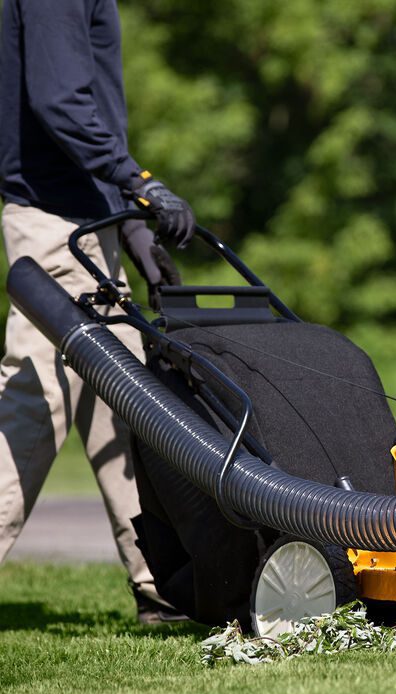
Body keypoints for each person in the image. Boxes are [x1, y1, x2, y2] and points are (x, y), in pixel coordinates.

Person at [0, 0, 195, 622]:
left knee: (128, 409)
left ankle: (163, 582)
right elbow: (59, 98)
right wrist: (137, 180)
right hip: (55, 232)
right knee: (33, 409)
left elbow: (91, 114)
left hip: (86, 230)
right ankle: (163, 580)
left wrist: (135, 237)